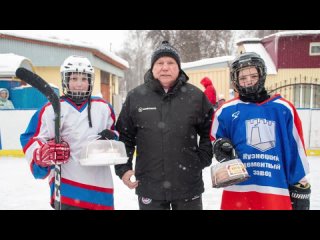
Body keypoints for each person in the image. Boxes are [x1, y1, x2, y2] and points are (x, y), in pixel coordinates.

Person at [115, 41, 214, 210]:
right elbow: (125, 137)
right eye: (160, 63)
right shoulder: (136, 97)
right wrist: (123, 168)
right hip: (149, 186)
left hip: (188, 186)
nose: (165, 68)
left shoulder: (196, 96)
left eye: (170, 63)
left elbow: (210, 132)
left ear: (179, 67)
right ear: (152, 68)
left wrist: (201, 159)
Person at [210, 52, 311, 210]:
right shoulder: (226, 111)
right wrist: (220, 146)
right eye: (243, 78)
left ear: (262, 75)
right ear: (236, 81)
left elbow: (296, 149)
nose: (248, 81)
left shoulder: (283, 108)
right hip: (238, 191)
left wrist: (300, 185)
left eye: (253, 76)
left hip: (275, 190)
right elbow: (215, 140)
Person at [20, 55, 118, 210]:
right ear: (66, 80)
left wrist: (112, 139)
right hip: (67, 189)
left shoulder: (104, 108)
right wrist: (42, 153)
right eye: (74, 79)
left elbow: (116, 135)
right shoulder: (50, 109)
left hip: (100, 188)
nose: (79, 84)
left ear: (90, 81)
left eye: (84, 79)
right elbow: (30, 138)